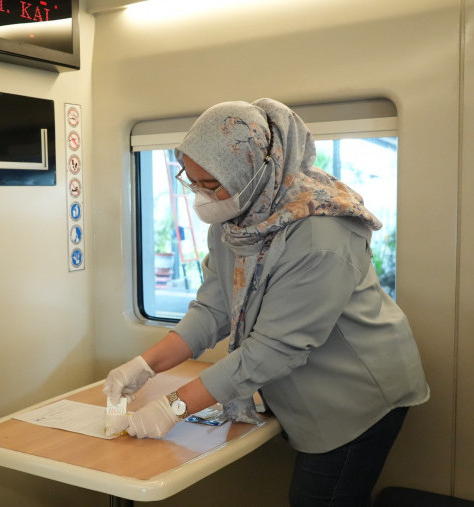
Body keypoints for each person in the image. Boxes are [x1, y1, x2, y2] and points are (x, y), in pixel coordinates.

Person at [103, 98, 429, 506]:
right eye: (193, 182)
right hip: (303, 378)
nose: (202, 198)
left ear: (254, 173)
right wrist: (145, 364)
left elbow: (276, 348)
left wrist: (175, 406)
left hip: (356, 393)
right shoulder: (236, 220)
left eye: (211, 185)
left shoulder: (322, 234)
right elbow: (214, 307)